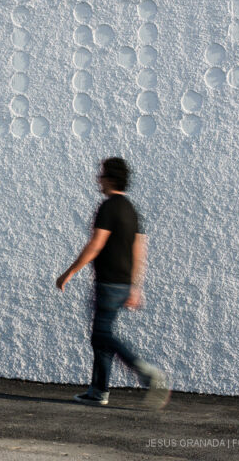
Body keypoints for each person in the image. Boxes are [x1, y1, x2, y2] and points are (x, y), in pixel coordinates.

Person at [55, 157, 171, 409]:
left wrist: (69, 272)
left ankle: (147, 374)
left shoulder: (108, 207)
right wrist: (136, 286)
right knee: (100, 337)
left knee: (103, 334)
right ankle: (98, 390)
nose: (98, 180)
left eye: (101, 175)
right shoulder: (131, 210)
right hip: (123, 285)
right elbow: (140, 250)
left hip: (108, 284)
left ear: (109, 179)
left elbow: (96, 244)